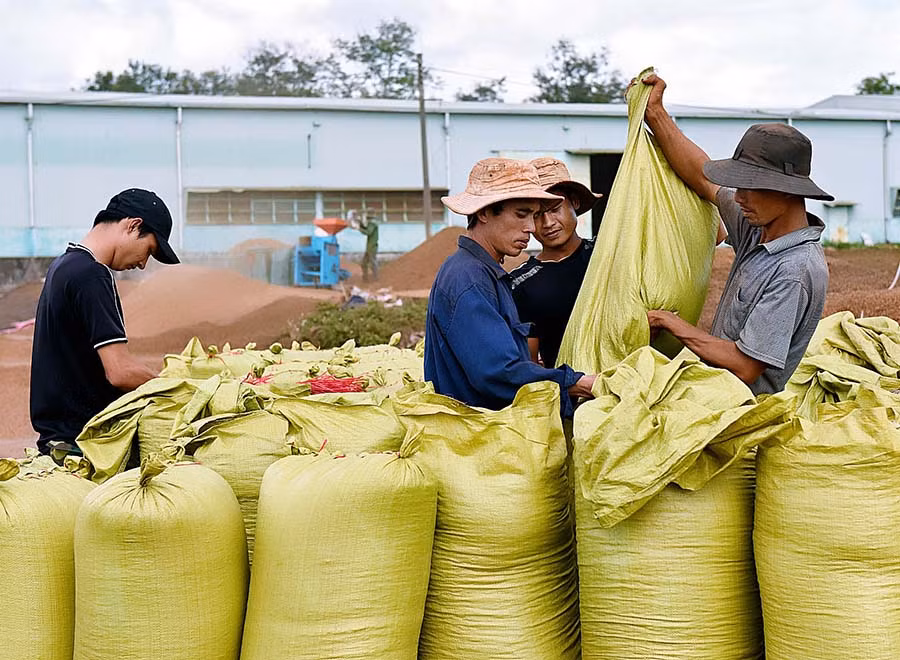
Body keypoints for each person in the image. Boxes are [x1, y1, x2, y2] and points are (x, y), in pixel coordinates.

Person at [640, 74, 830, 394]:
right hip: (712, 389)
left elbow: (745, 367)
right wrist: (656, 114)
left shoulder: (795, 269)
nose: (738, 197)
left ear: (786, 192)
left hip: (740, 411)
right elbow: (701, 175)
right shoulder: (756, 227)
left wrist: (669, 322)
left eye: (749, 187)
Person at [424, 157, 597, 419]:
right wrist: (578, 383)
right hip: (479, 433)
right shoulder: (468, 278)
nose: (531, 227)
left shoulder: (487, 274)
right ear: (483, 212)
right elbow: (498, 373)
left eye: (533, 214)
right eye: (522, 214)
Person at [30, 188, 180, 459]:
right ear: (133, 225)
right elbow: (119, 371)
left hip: (59, 441)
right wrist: (174, 388)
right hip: (84, 445)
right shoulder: (92, 275)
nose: (143, 264)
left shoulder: (63, 266)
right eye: (149, 250)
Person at [510, 157, 602, 368]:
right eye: (537, 215)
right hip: (572, 392)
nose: (548, 223)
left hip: (629, 379)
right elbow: (529, 363)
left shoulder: (605, 254)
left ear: (574, 203)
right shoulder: (521, 283)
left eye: (554, 209)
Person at [358, 210, 379, 282]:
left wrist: (359, 228)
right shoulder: (372, 224)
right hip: (369, 248)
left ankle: (376, 279)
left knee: (373, 263)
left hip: (372, 247)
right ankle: (365, 279)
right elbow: (365, 228)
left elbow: (368, 232)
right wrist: (360, 225)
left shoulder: (372, 224)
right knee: (364, 264)